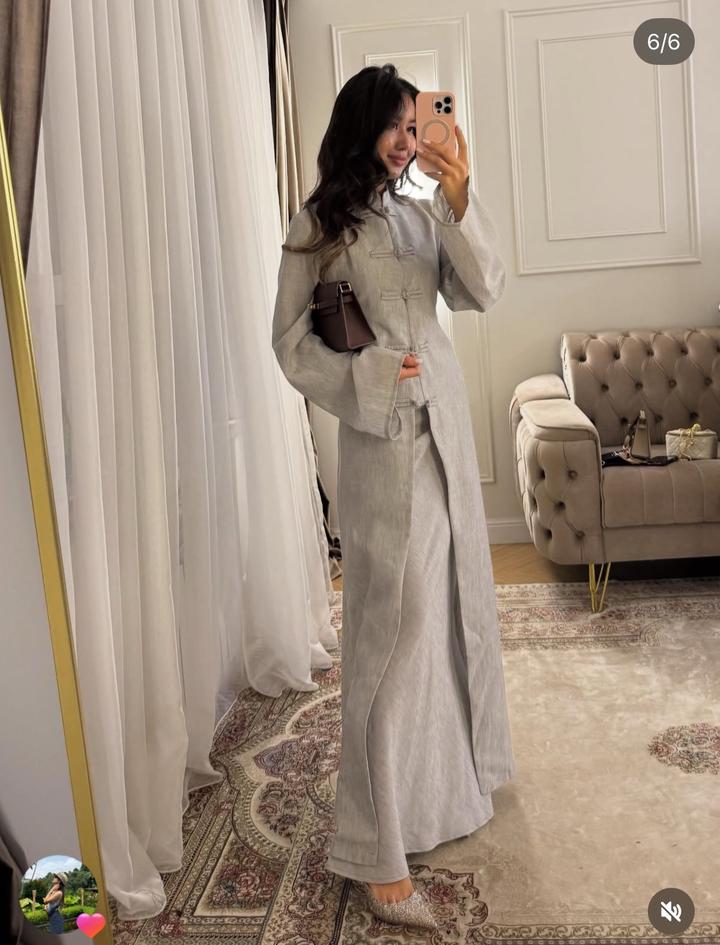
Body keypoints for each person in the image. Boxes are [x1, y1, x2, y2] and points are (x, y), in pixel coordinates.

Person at [272, 64, 516, 930]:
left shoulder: (422, 213)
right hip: (383, 445)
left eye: (418, 126)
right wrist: (374, 375)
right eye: (396, 126)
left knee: (449, 613)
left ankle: (443, 793)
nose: (409, 141)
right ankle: (374, 850)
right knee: (388, 635)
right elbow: (291, 342)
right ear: (361, 126)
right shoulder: (318, 226)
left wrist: (461, 197)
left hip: (446, 436)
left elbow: (483, 289)